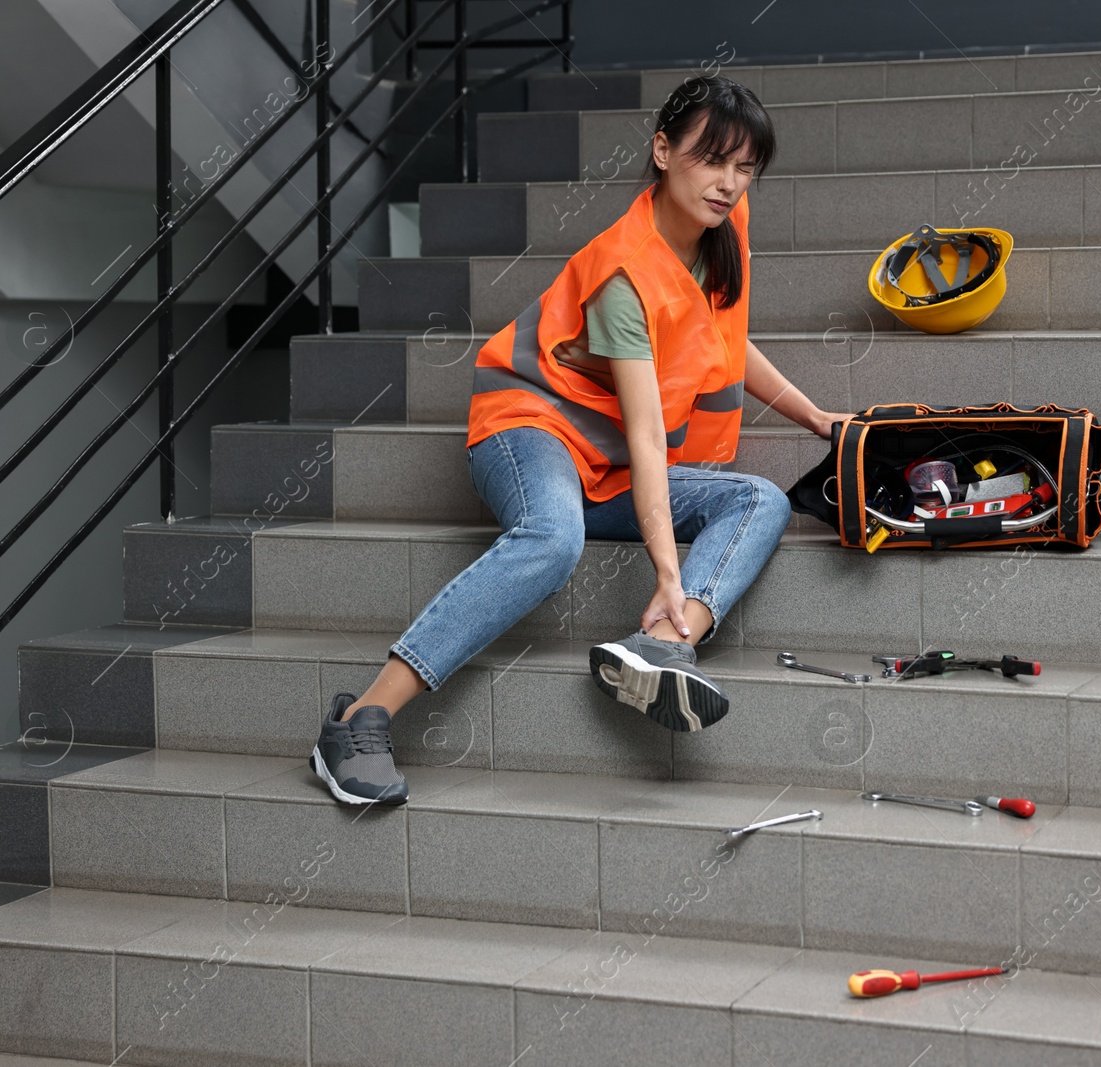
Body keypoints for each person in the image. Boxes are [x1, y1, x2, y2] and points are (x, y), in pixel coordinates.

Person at [310, 75, 850, 806]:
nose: (728, 183)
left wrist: (818, 419)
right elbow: (648, 433)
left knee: (758, 499)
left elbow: (723, 337)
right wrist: (666, 569)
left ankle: (666, 645)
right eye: (711, 159)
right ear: (662, 151)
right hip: (528, 428)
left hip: (606, 462)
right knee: (552, 538)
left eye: (744, 166)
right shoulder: (625, 271)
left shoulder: (722, 228)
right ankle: (359, 717)